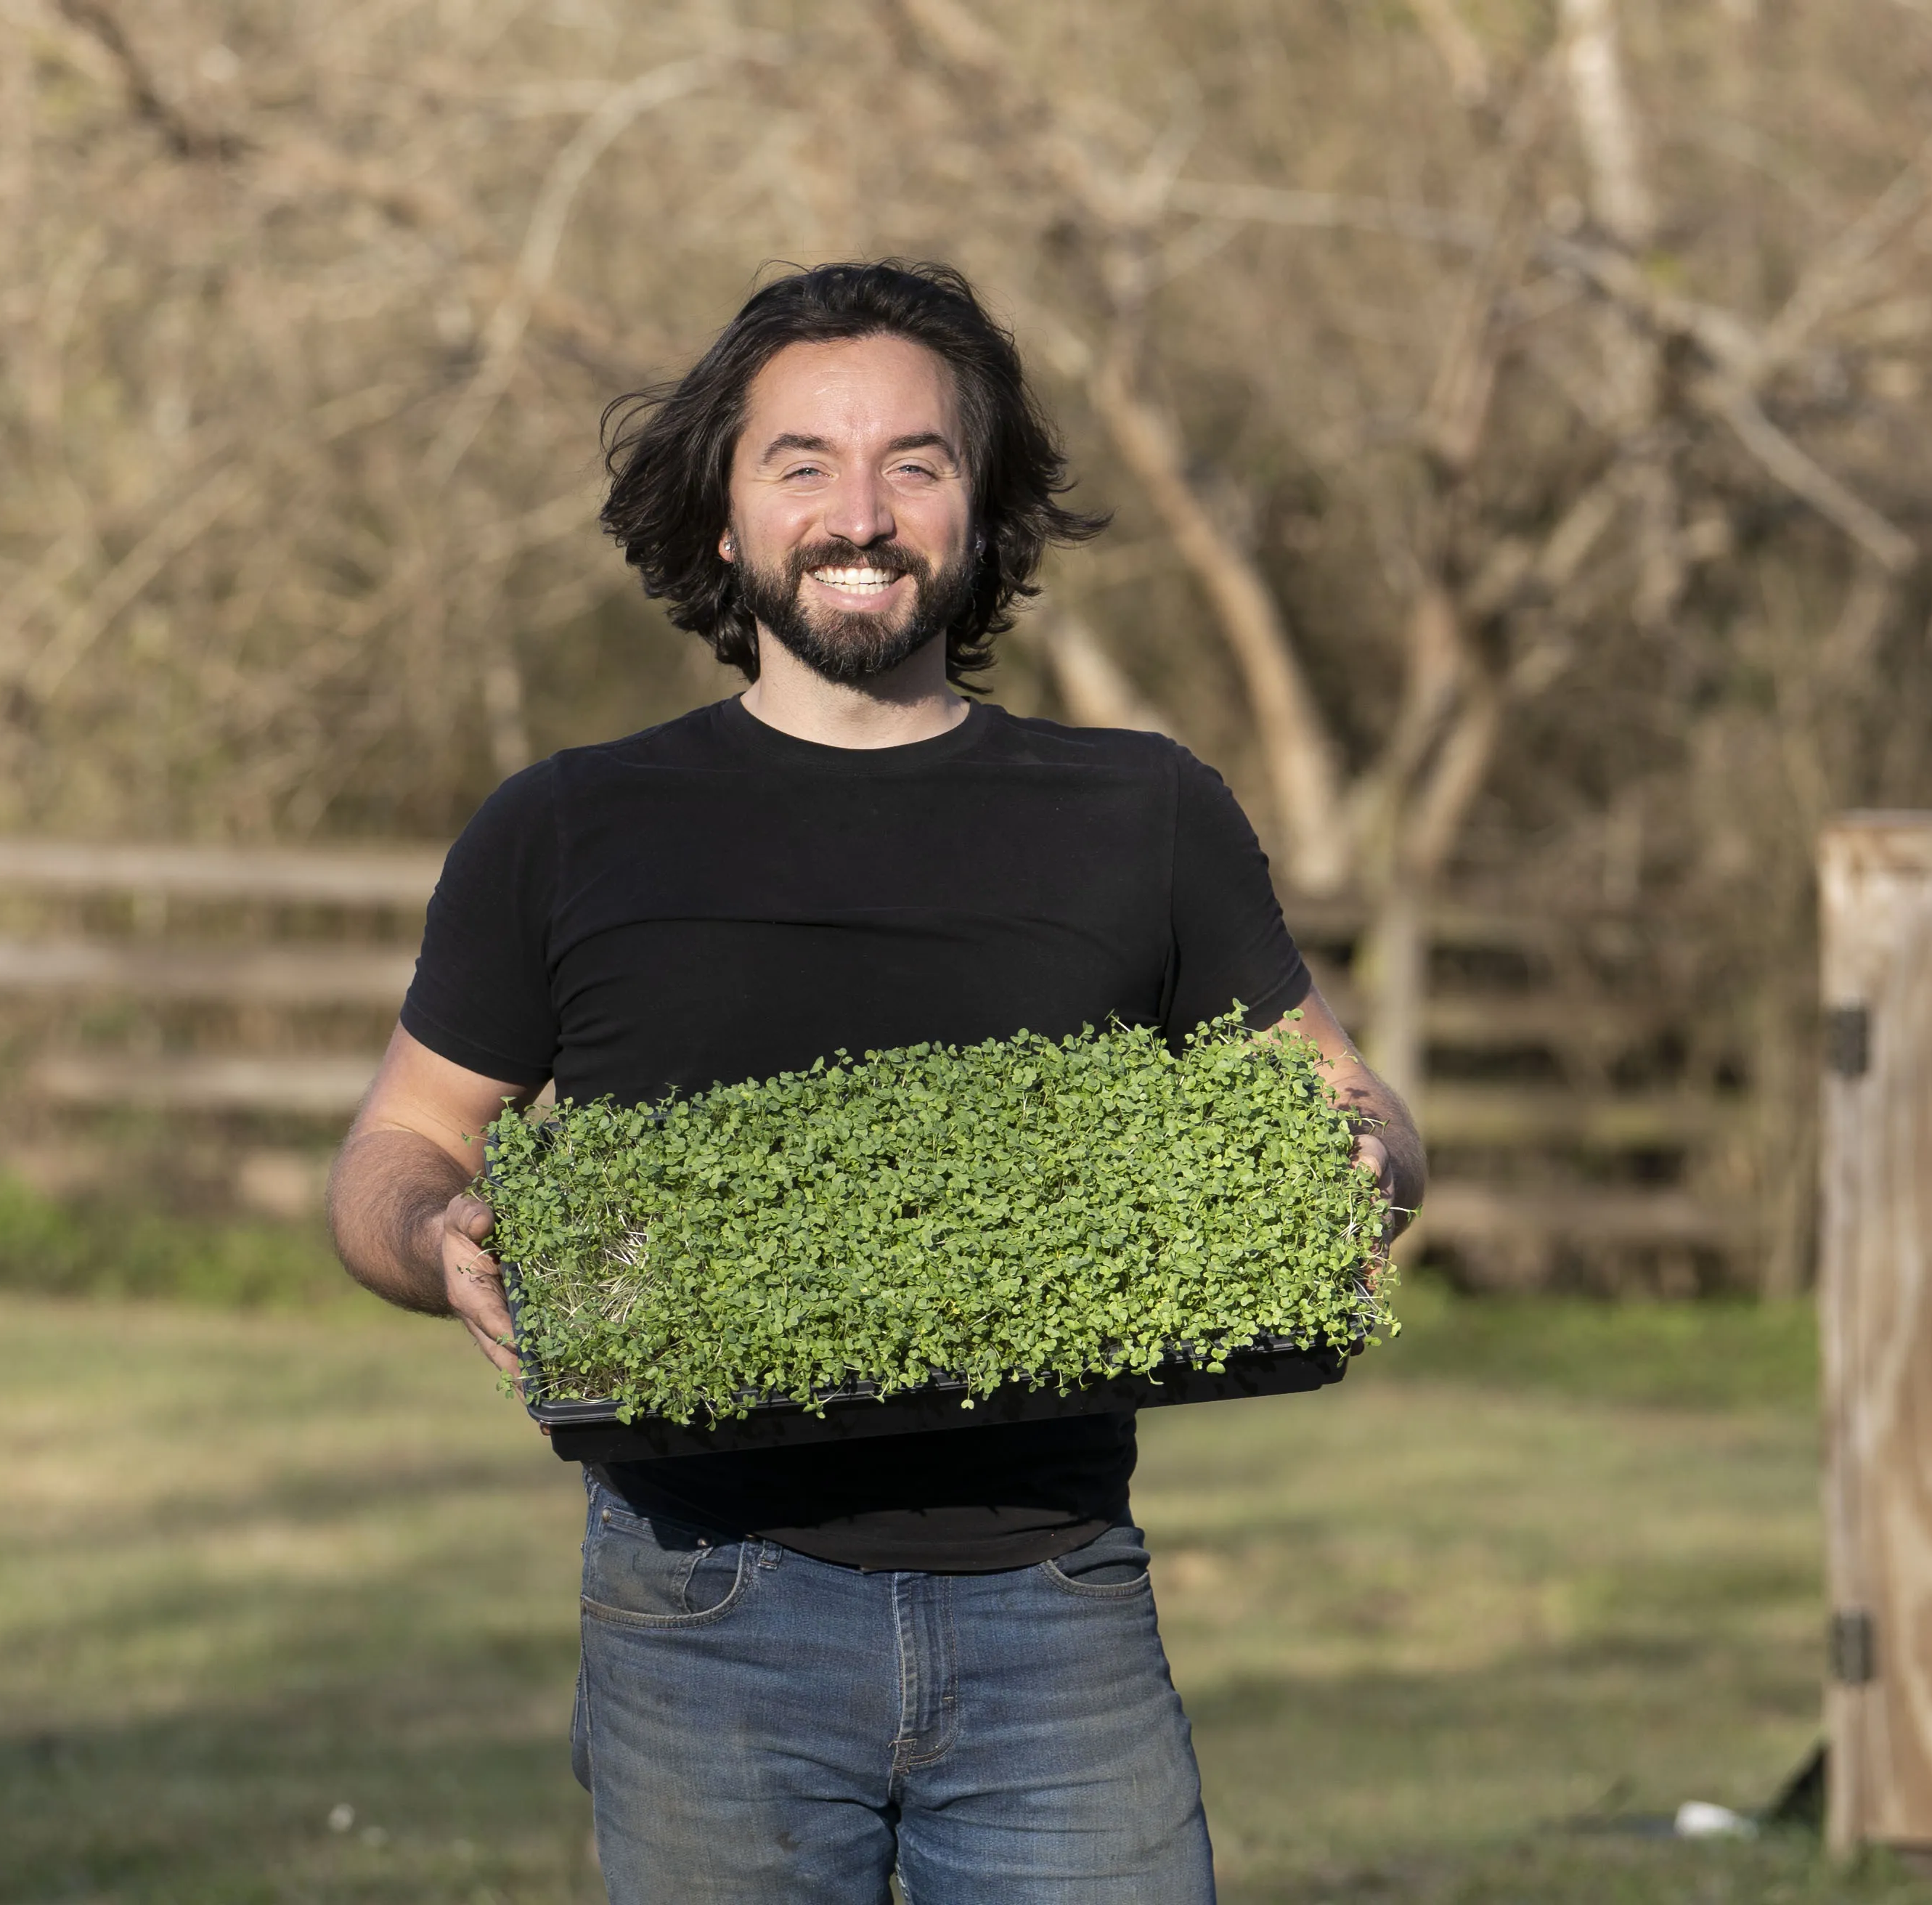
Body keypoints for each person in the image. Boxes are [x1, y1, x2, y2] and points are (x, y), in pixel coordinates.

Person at [326, 259, 1423, 1904]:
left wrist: (1360, 1162)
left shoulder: (1142, 812)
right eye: (803, 463)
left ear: (981, 515)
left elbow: (1358, 1114)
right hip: (705, 1610)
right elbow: (397, 1147)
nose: (862, 511)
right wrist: (440, 1236)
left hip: (1054, 1597)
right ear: (722, 517)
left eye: (915, 461)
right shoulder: (567, 827)